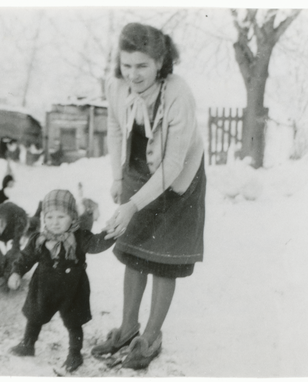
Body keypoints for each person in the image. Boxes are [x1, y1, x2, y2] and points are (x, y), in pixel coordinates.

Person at [91, 22, 206, 370]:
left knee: (163, 259)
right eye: (127, 65)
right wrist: (117, 177)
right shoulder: (116, 86)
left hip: (178, 177)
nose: (133, 74)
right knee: (133, 251)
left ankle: (150, 336)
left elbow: (172, 164)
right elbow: (113, 125)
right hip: (138, 168)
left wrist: (132, 205)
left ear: (160, 62)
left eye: (142, 65)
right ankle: (127, 328)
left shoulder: (178, 95)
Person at [8, 189, 116, 372]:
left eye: (61, 216)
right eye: (49, 217)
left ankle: (75, 353)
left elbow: (96, 244)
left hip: (73, 287)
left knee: (74, 321)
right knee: (34, 315)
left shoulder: (80, 237)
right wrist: (16, 272)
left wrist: (110, 233)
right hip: (43, 285)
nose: (55, 222)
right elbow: (26, 257)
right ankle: (28, 344)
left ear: (73, 217)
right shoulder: (39, 239)